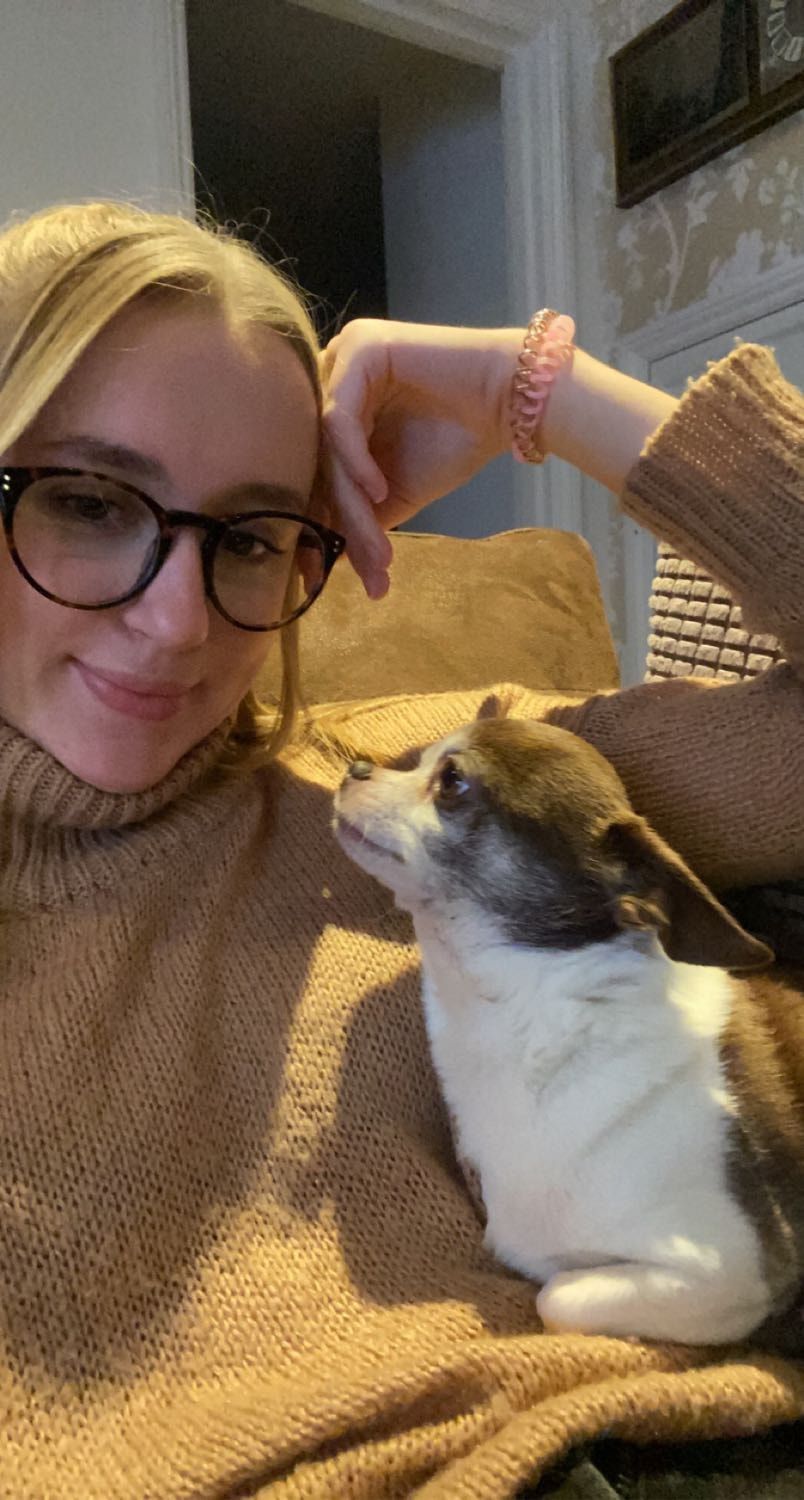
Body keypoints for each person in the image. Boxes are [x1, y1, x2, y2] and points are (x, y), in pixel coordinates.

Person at [0, 201, 801, 1500]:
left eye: (251, 537)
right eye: (88, 503)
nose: (176, 620)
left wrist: (536, 392)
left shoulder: (415, 795)